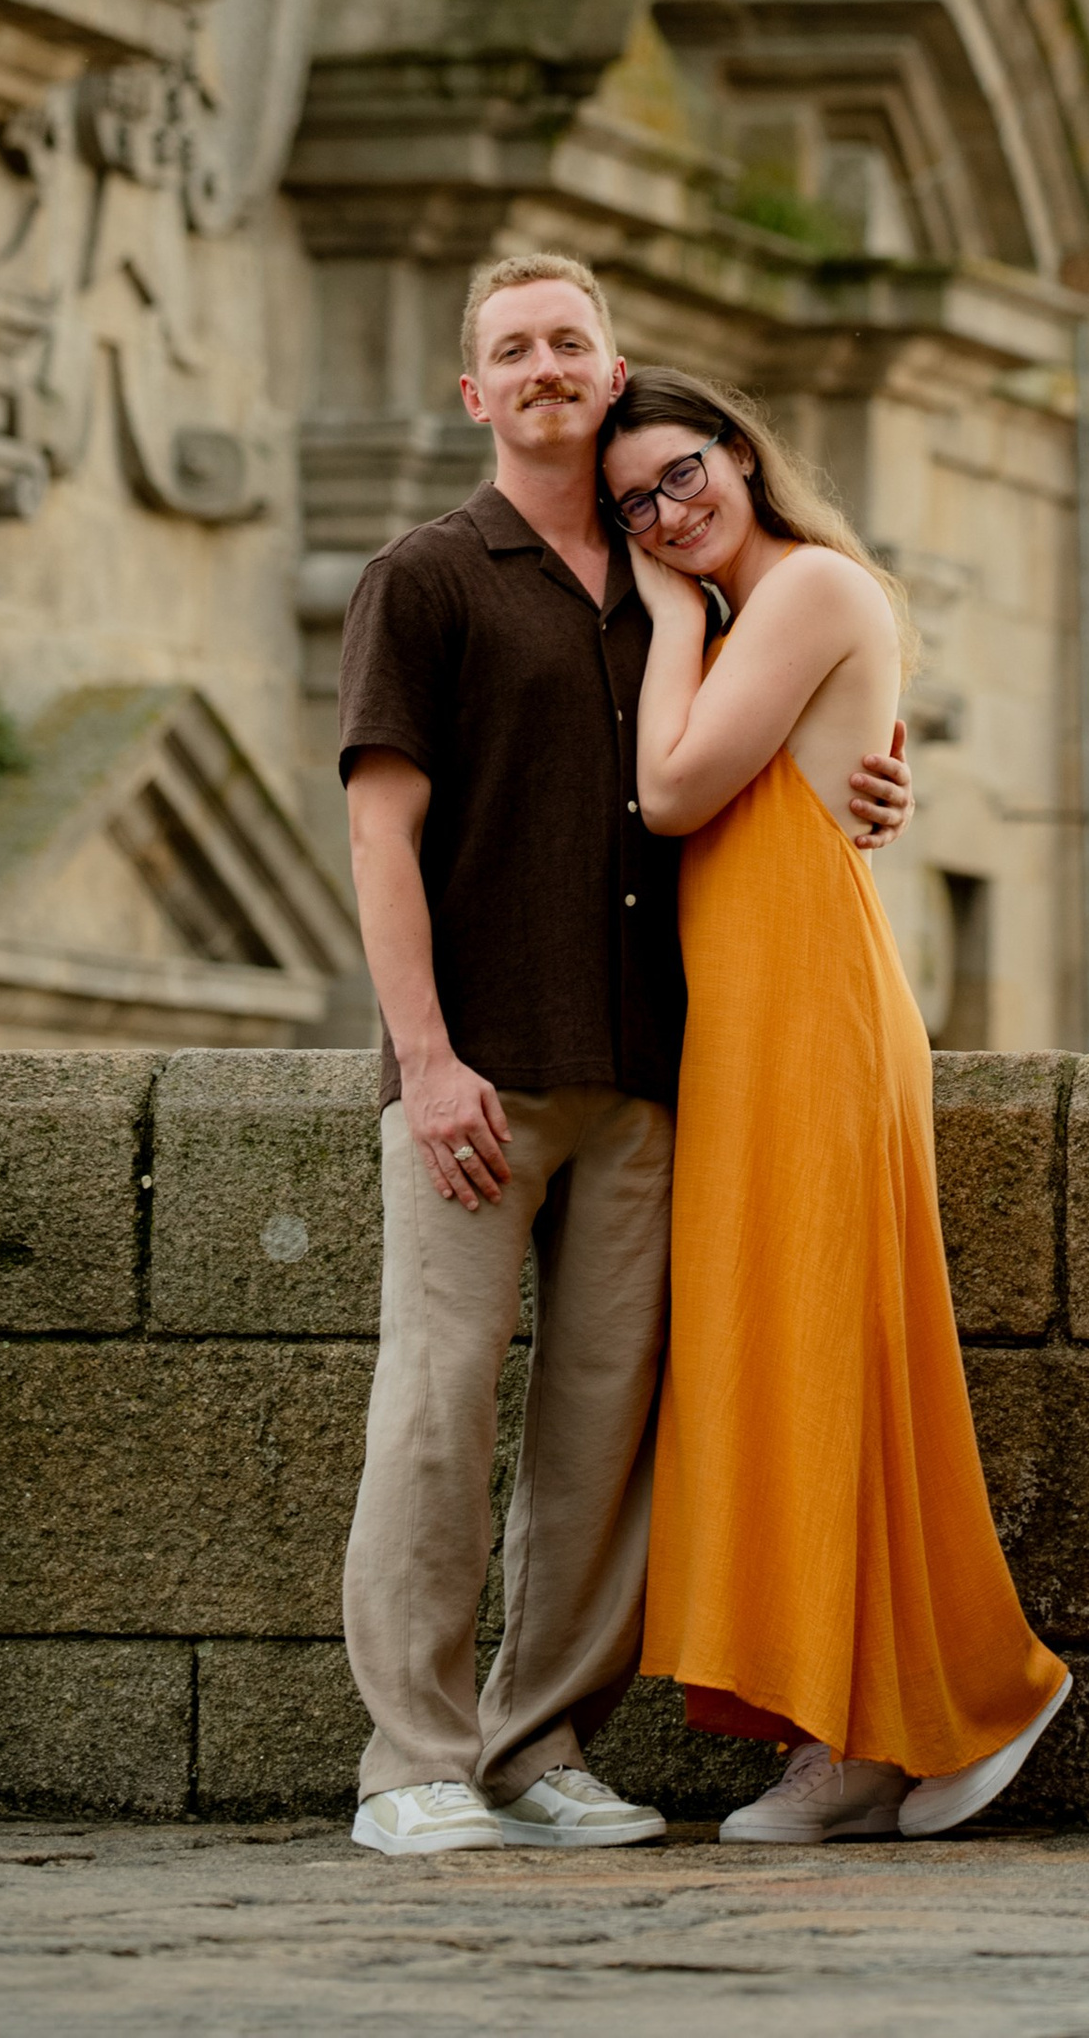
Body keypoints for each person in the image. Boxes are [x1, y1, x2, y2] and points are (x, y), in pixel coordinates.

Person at [336, 255, 915, 1860]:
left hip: (655, 1078)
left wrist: (876, 778)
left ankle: (536, 1751)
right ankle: (412, 1764)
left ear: (614, 367)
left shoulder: (697, 591)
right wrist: (426, 1057)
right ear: (477, 393)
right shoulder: (430, 577)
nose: (545, 367)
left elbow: (803, 744)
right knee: (440, 1413)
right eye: (512, 349)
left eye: (569, 342)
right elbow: (383, 836)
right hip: (485, 1074)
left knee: (600, 1434)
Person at [603, 364, 1071, 1845]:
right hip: (754, 1020)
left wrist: (670, 618)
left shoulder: (798, 590)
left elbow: (672, 793)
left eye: (684, 475)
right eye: (636, 505)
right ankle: (860, 1716)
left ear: (742, 456)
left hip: (809, 1011)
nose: (668, 514)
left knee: (819, 1354)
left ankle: (874, 1730)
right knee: (784, 1357)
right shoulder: (761, 612)